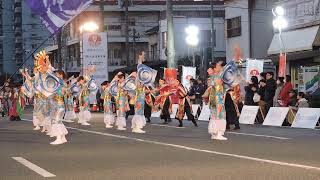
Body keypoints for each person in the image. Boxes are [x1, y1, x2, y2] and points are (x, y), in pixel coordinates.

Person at [206, 62, 228, 140]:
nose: (220, 67)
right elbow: (219, 90)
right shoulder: (217, 77)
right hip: (217, 99)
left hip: (213, 99)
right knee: (220, 116)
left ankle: (214, 134)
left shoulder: (213, 77)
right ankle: (218, 133)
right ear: (215, 68)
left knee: (214, 117)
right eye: (218, 66)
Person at [50, 70, 68, 145]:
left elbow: (62, 93)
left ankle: (59, 138)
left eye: (57, 75)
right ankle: (63, 138)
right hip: (57, 105)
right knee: (58, 121)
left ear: (61, 75)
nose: (55, 76)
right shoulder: (58, 84)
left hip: (59, 106)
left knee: (56, 121)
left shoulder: (62, 84)